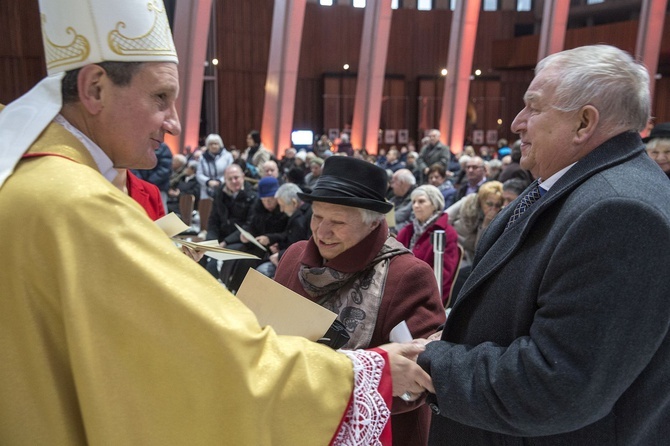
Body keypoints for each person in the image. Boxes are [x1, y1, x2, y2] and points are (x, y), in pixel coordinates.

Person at [0, 1, 434, 443]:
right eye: (160, 97)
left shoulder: (30, 181)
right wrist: (368, 373)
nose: (173, 122)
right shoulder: (78, 203)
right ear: (94, 88)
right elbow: (222, 363)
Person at [417, 44, 670, 445]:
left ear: (585, 122)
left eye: (533, 108)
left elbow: (559, 381)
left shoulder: (620, 210)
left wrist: (430, 363)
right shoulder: (578, 187)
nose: (517, 122)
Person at [274, 156, 446, 446]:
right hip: (292, 423)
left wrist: (335, 390)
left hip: (374, 433)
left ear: (372, 224)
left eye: (338, 222)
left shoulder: (407, 275)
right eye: (317, 217)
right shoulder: (294, 257)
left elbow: (417, 382)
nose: (322, 232)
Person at [396, 185, 460, 306]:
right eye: (413, 202)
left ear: (434, 204)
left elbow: (443, 276)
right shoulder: (407, 230)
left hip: (429, 294)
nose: (415, 205)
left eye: (421, 201)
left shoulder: (447, 233)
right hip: (402, 288)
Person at [256, 183, 312, 278]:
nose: (281, 210)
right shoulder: (297, 212)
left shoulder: (309, 214)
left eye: (282, 206)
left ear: (294, 202)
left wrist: (280, 255)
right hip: (289, 254)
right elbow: (291, 235)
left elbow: (306, 245)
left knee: (262, 272)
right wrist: (276, 242)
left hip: (300, 263)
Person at [445, 180, 503, 265]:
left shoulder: (499, 216)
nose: (493, 209)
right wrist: (453, 244)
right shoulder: (469, 202)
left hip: (471, 257)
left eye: (497, 206)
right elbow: (445, 218)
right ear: (481, 200)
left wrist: (485, 225)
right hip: (453, 245)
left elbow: (480, 249)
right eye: (489, 204)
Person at [196, 133, 233, 237]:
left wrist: (220, 181)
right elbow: (199, 174)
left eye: (216, 144)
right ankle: (204, 229)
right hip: (206, 188)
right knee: (205, 210)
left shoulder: (227, 156)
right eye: (211, 144)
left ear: (220, 144)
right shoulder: (202, 157)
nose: (214, 146)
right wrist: (208, 181)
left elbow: (230, 171)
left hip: (224, 186)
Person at [131, 141, 172, 213]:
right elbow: (133, 166)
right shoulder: (139, 146)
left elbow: (164, 170)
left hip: (159, 187)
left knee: (160, 212)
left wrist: (148, 182)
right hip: (139, 186)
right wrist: (140, 181)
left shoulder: (163, 148)